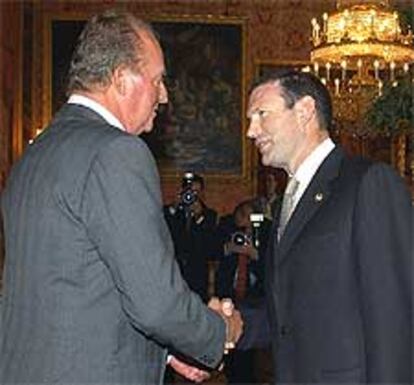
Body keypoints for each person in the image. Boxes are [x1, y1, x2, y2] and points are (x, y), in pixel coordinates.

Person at [0, 10, 243, 384]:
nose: (163, 95)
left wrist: (164, 353)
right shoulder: (116, 152)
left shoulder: (34, 155)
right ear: (120, 79)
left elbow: (77, 290)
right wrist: (219, 331)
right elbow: (156, 303)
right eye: (157, 80)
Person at [247, 70, 412, 384]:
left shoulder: (368, 183)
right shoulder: (286, 204)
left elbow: (394, 318)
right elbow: (288, 312)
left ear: (305, 111)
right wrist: (230, 327)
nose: (251, 131)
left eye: (261, 115)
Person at [215, 199, 272, 385]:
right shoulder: (227, 229)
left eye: (248, 216)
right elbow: (210, 250)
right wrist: (228, 248)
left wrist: (254, 254)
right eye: (240, 215)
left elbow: (271, 266)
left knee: (250, 346)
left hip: (254, 299)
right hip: (229, 296)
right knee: (231, 345)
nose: (243, 219)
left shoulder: (264, 233)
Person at [164, 173, 218, 302]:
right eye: (190, 191)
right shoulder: (173, 212)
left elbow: (209, 243)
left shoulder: (209, 215)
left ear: (202, 193)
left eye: (197, 192)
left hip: (197, 270)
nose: (193, 196)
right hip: (174, 268)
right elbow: (164, 228)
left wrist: (199, 217)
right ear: (183, 191)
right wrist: (174, 207)